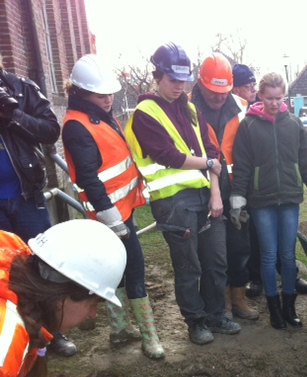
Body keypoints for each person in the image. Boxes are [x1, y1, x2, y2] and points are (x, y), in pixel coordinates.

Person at [124, 42, 240, 346]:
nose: (180, 86)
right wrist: (210, 164)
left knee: (216, 260)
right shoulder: (144, 113)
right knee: (189, 267)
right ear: (158, 76)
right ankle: (196, 321)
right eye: (173, 80)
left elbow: (213, 152)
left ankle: (216, 314)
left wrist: (216, 192)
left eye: (183, 81)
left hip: (205, 196)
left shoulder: (189, 108)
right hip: (174, 202)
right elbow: (168, 155)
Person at [62, 54, 164, 359]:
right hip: (110, 216)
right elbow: (90, 180)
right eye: (100, 94)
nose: (108, 99)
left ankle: (120, 330)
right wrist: (111, 219)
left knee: (120, 272)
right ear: (81, 93)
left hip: (123, 210)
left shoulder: (98, 117)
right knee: (134, 269)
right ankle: (149, 336)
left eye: (110, 93)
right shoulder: (77, 127)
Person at [0, 219, 127, 377]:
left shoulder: (10, 252)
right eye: (92, 304)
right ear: (62, 297)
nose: (93, 314)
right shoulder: (6, 346)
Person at [231, 72, 307, 330]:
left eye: (279, 97)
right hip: (261, 201)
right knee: (268, 254)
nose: (274, 103)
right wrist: (238, 199)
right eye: (269, 98)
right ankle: (273, 307)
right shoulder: (248, 126)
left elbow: (306, 162)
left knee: (287, 254)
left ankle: (289, 306)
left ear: (284, 95)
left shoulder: (294, 124)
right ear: (260, 96)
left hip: (290, 199)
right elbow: (242, 166)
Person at [0, 52, 77, 358]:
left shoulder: (21, 88)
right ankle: (17, 339)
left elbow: (49, 129)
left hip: (26, 197)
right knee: (6, 273)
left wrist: (13, 116)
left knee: (43, 264)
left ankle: (52, 332)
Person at [191, 53, 258, 322]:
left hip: (235, 188)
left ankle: (238, 301)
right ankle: (216, 305)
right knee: (208, 253)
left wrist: (242, 192)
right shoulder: (186, 108)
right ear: (202, 84)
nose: (219, 97)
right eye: (213, 91)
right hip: (199, 188)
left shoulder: (241, 107)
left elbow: (249, 149)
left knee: (239, 246)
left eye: (224, 92)